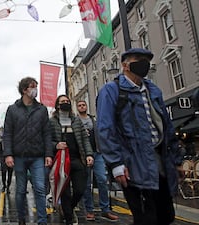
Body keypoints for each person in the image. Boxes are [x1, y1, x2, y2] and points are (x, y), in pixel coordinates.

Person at [96, 48, 184, 225]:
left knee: (166, 215)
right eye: (138, 59)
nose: (143, 63)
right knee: (145, 217)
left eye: (146, 59)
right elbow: (105, 128)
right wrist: (116, 164)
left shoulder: (153, 90)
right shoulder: (111, 91)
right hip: (132, 163)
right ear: (125, 65)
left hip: (159, 160)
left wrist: (177, 160)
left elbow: (166, 126)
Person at [2, 77, 53, 225]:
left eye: (36, 87)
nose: (35, 89)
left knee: (40, 188)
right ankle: (21, 219)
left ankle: (42, 221)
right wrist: (8, 154)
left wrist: (48, 154)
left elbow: (47, 133)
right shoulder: (12, 109)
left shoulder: (42, 109)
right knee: (20, 190)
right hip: (19, 156)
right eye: (32, 87)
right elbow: (8, 133)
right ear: (24, 90)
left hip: (37, 156)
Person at [49, 95, 94, 225]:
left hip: (76, 159)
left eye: (67, 101)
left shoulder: (76, 120)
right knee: (65, 192)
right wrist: (56, 145)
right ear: (57, 105)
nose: (66, 103)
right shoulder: (52, 122)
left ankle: (68, 208)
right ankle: (68, 219)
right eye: (63, 102)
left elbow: (85, 139)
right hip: (61, 160)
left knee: (80, 189)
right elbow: (47, 140)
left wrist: (89, 154)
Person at [76, 100, 119, 222]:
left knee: (102, 180)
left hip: (97, 153)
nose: (82, 107)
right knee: (86, 184)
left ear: (86, 106)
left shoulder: (93, 119)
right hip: (83, 155)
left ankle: (105, 209)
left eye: (83, 105)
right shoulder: (75, 121)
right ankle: (89, 211)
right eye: (79, 105)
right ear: (77, 108)